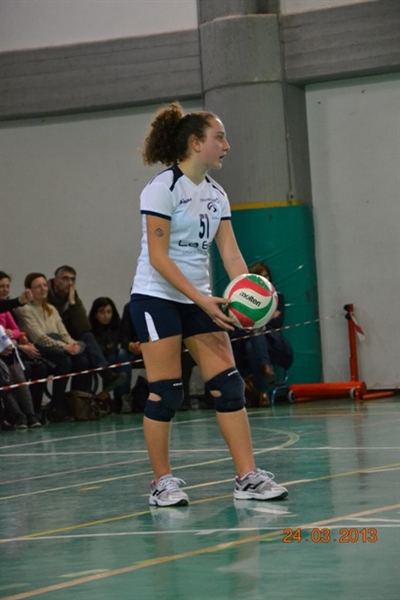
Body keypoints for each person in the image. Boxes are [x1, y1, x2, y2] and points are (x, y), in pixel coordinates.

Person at [129, 102, 288, 507]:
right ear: (196, 143)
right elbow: (159, 258)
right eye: (220, 138)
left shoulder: (217, 194)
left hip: (200, 298)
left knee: (229, 385)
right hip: (156, 297)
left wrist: (249, 296)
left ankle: (247, 478)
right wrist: (201, 298)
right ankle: (161, 483)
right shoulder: (162, 188)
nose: (226, 146)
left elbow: (230, 252)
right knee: (166, 392)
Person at [15, 273, 93, 422]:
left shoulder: (51, 309)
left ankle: (78, 405)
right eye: (38, 286)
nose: (43, 289)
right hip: (40, 351)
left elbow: (63, 333)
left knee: (82, 361)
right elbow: (40, 338)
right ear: (28, 290)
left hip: (59, 349)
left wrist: (73, 345)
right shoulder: (24, 310)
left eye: (45, 285)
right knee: (64, 361)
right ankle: (56, 407)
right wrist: (65, 347)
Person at [47, 266, 125, 393]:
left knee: (85, 354)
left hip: (68, 339)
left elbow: (84, 327)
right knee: (79, 359)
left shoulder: (73, 295)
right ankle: (106, 375)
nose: (70, 283)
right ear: (56, 281)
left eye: (73, 279)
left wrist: (72, 302)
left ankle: (80, 400)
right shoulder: (45, 295)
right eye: (65, 279)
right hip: (52, 341)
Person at [230, 262, 294, 407]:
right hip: (244, 347)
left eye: (266, 276)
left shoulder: (277, 298)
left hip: (272, 344)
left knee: (255, 334)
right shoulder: (241, 300)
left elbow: (277, 323)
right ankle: (265, 373)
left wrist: (255, 320)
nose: (265, 279)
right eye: (260, 276)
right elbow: (236, 325)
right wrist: (265, 318)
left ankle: (262, 390)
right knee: (251, 344)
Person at [0, 271, 50, 416]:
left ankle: (31, 415)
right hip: (6, 350)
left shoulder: (6, 310)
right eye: (1, 286)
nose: (5, 289)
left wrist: (13, 335)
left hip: (8, 350)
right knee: (4, 376)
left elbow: (16, 330)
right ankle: (17, 417)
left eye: (7, 286)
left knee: (22, 375)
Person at [88, 296, 133, 410]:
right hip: (98, 362)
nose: (106, 316)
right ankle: (107, 393)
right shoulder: (90, 330)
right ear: (95, 314)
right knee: (111, 357)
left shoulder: (117, 326)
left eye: (109, 312)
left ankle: (122, 398)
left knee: (123, 354)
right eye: (102, 312)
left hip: (113, 357)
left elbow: (121, 343)